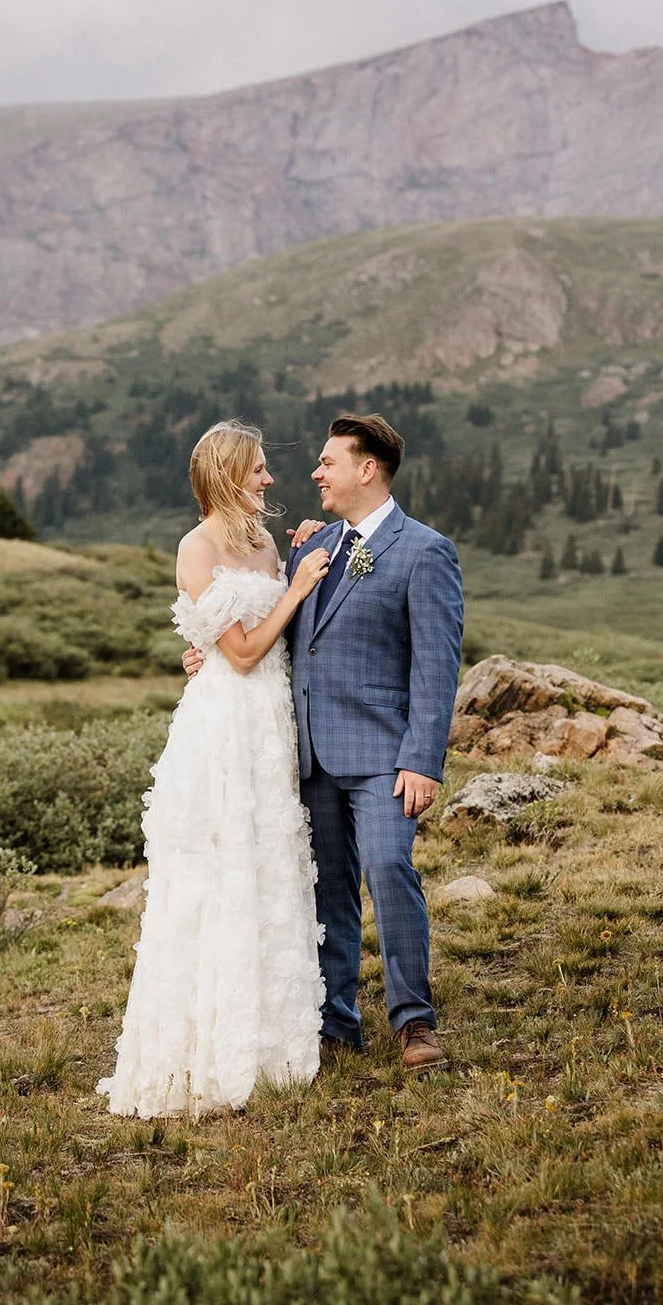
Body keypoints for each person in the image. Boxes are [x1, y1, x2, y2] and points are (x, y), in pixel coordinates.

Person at [185, 413, 463, 1070]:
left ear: (366, 469)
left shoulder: (424, 551)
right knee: (323, 889)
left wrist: (422, 759)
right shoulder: (312, 546)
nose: (314, 473)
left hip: (382, 758)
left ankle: (414, 1022)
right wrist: (207, 658)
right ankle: (336, 1023)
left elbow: (436, 664)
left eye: (327, 462)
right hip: (305, 755)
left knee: (390, 871)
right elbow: (275, 638)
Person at [96, 419, 330, 1119]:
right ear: (229, 476)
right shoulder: (196, 548)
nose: (267, 479)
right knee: (220, 872)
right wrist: (297, 589)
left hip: (269, 726)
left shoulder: (260, 541)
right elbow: (242, 652)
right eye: (257, 469)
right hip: (227, 728)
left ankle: (270, 1042)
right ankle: (209, 1048)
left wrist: (303, 552)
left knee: (266, 866)